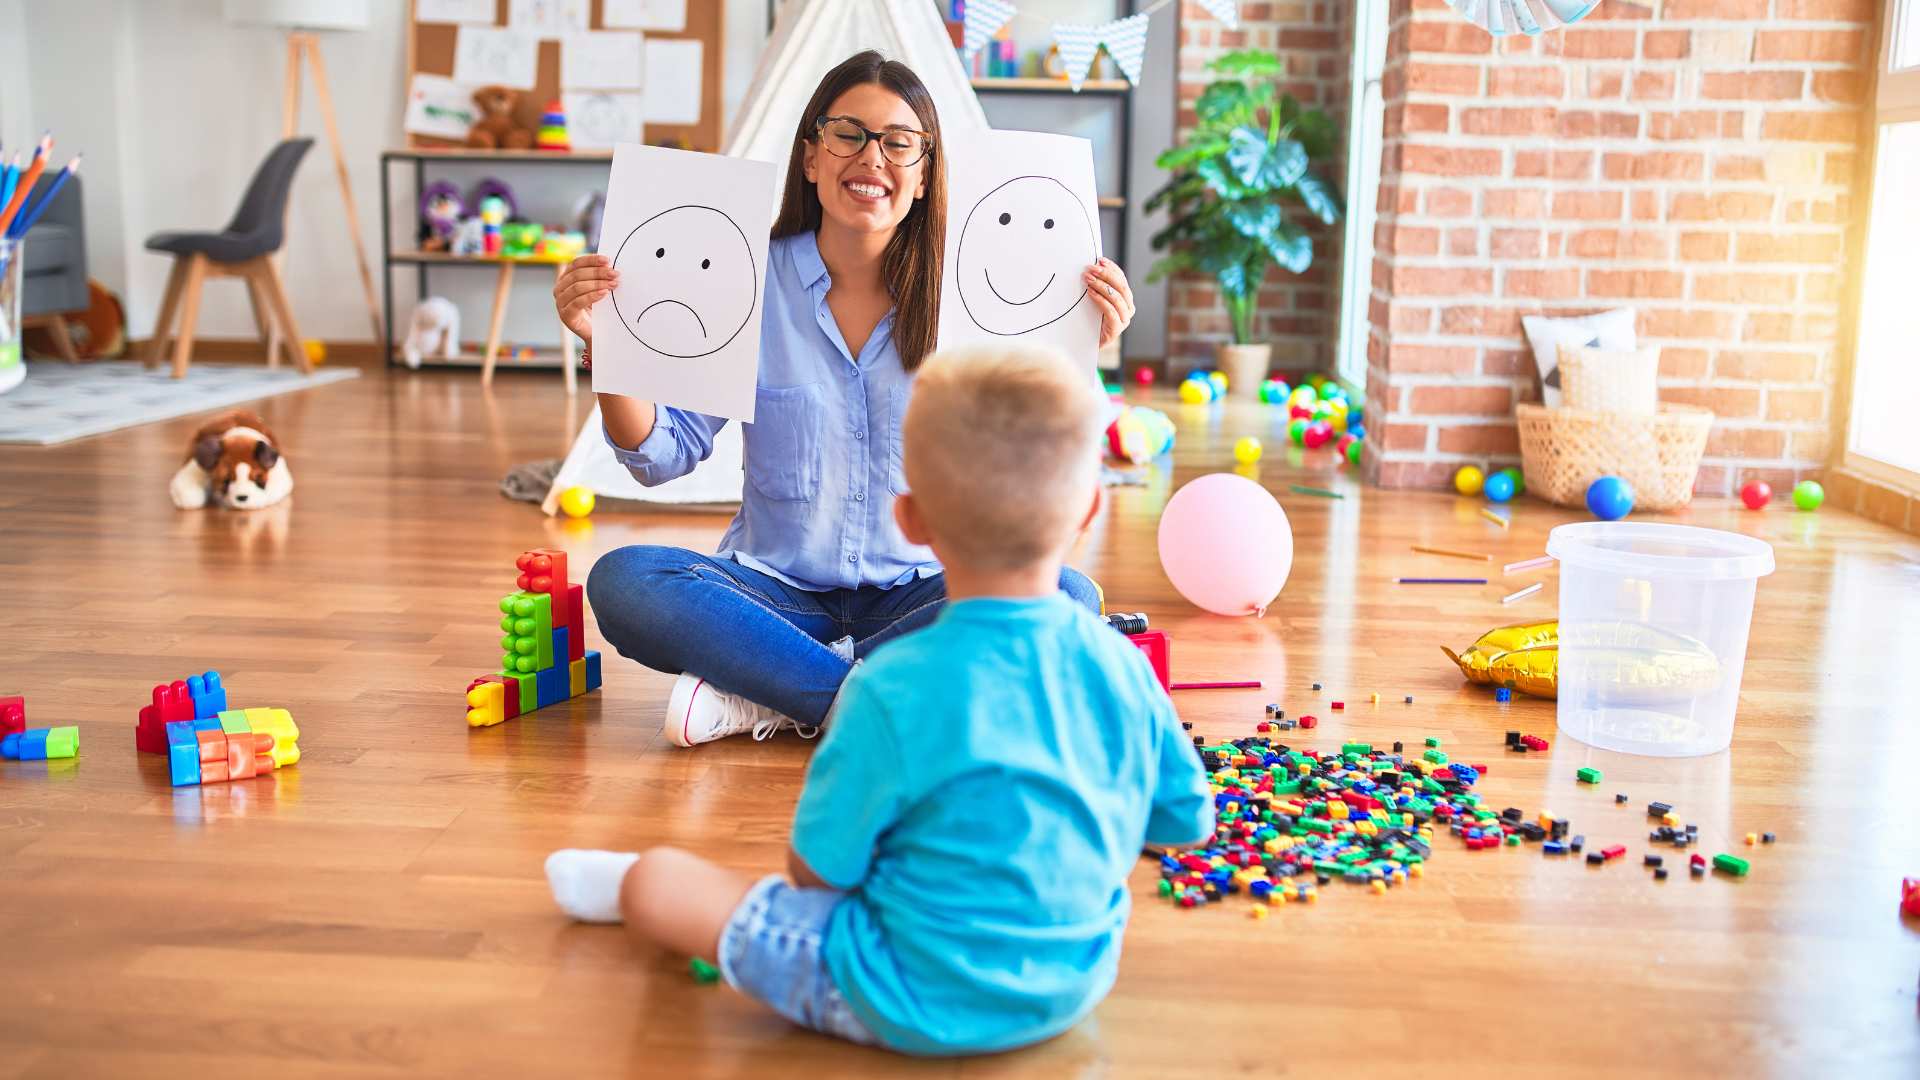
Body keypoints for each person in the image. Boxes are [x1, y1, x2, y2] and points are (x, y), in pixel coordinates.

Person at [544, 343, 1213, 1055]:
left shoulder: (891, 691)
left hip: (891, 988)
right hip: (1072, 986)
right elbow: (1182, 824)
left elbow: (818, 874)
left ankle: (760, 701)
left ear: (913, 520)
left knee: (660, 881)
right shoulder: (1122, 667)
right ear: (1090, 509)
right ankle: (777, 684)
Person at [551, 51, 1138, 747]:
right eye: (848, 134)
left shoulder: (974, 297)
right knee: (625, 579)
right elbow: (661, 457)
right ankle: (870, 701)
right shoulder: (747, 278)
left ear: (924, 176)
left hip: (921, 592)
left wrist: (1077, 349)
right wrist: (612, 346)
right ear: (811, 157)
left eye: (899, 142)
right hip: (772, 599)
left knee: (1069, 596)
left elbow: (1027, 460)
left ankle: (775, 695)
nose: (872, 157)